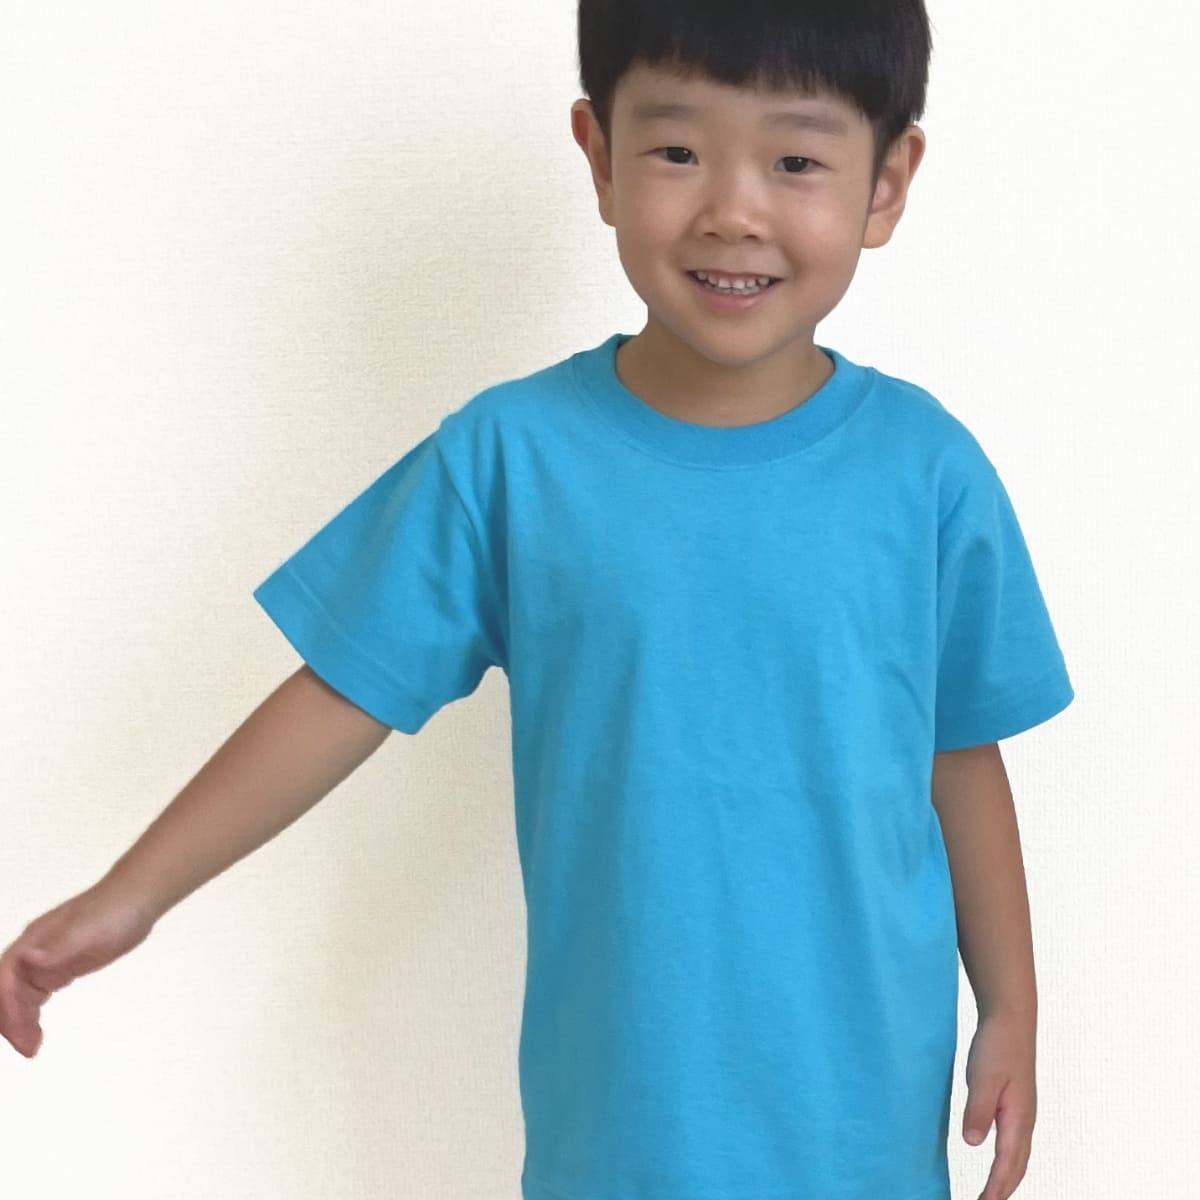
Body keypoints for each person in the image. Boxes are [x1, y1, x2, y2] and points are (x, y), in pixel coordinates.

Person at [0, 4, 1075, 1199]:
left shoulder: (927, 474)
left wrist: (1013, 1009)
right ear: (599, 156)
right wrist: (131, 898)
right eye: (678, 150)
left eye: (795, 160)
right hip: (618, 1131)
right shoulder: (511, 460)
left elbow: (959, 753)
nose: (733, 209)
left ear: (888, 182)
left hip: (859, 1128)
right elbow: (342, 692)